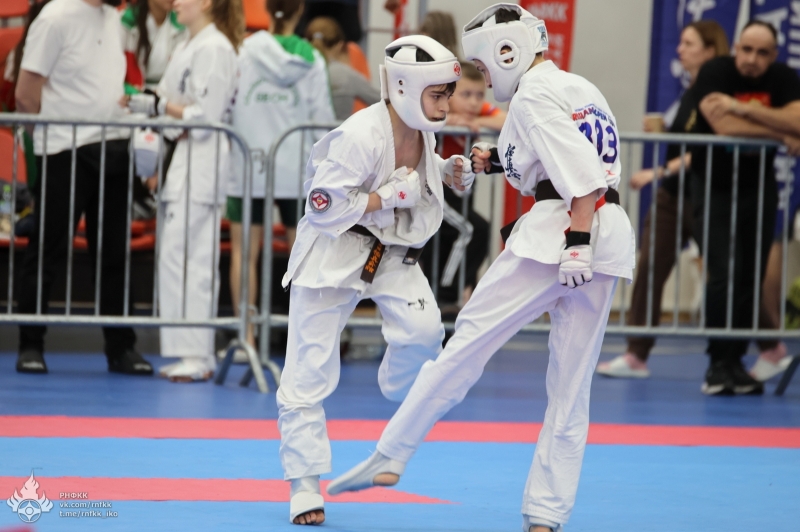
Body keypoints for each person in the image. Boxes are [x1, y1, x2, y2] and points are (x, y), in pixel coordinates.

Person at [328, 6, 635, 532]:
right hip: (608, 236)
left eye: (485, 64)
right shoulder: (578, 87)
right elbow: (564, 157)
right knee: (571, 387)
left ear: (507, 51)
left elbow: (582, 176)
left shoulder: (533, 95)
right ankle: (546, 514)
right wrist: (492, 161)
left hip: (562, 232)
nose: (485, 76)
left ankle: (393, 451)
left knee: (467, 343)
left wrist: (577, 242)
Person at [277, 35, 472, 525]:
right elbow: (321, 208)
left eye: (447, 94)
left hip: (389, 250)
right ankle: (304, 485)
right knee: (307, 370)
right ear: (403, 88)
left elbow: (413, 174)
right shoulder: (360, 135)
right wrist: (385, 197)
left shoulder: (420, 130)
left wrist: (444, 170)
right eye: (438, 94)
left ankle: (395, 384)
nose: (445, 105)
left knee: (426, 333)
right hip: (332, 252)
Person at [13, 0, 152, 376]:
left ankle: (121, 347)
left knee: (114, 253)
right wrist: (48, 137)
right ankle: (30, 343)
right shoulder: (55, 17)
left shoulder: (112, 17)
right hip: (65, 149)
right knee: (48, 248)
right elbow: (25, 93)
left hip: (114, 145)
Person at [597, 20, 729, 379]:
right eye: (680, 42)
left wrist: (656, 172)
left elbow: (704, 148)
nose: (679, 49)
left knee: (727, 272)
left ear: (710, 50)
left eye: (689, 44)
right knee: (651, 267)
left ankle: (769, 343)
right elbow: (689, 140)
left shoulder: (715, 95)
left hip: (703, 194)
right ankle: (636, 353)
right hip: (674, 194)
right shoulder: (691, 91)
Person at [127, 0, 242, 382]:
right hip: (183, 156)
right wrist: (149, 105)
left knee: (194, 258)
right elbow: (169, 99)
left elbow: (206, 115)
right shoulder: (188, 44)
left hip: (203, 160)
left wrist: (162, 106)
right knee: (177, 256)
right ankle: (189, 350)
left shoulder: (216, 47)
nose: (175, 1)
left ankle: (197, 353)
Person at [688, 20, 800, 395]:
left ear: (774, 55)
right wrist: (780, 131)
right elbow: (723, 126)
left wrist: (740, 106)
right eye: (747, 50)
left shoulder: (783, 77)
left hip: (758, 186)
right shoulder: (715, 71)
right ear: (736, 48)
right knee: (722, 272)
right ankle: (717, 364)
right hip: (713, 184)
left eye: (762, 53)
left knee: (751, 274)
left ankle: (735, 362)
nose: (752, 59)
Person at [227, 0, 335, 359]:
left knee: (245, 254)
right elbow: (322, 120)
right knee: (303, 255)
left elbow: (229, 103)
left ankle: (246, 338)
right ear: (299, 10)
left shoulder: (243, 51)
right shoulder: (312, 59)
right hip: (297, 169)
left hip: (249, 164)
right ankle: (303, 342)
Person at [422, 61, 506, 305]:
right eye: (466, 95)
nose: (473, 102)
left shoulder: (477, 115)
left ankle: (457, 290)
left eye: (479, 95)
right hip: (437, 190)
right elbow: (423, 118)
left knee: (461, 236)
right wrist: (450, 121)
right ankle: (446, 295)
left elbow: (505, 119)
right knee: (472, 229)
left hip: (461, 194)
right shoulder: (440, 110)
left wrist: (478, 123)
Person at [121, 0, 188, 219]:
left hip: (168, 100)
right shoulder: (124, 22)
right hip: (131, 100)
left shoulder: (184, 22)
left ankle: (155, 192)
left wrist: (159, 101)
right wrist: (142, 99)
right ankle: (140, 195)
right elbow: (115, 74)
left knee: (176, 128)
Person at [306, 16, 380, 120]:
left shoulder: (297, 72)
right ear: (339, 45)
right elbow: (381, 100)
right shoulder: (345, 75)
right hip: (339, 130)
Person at [121, 0, 187, 93]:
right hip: (132, 95)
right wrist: (132, 93)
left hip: (168, 94)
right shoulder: (125, 21)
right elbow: (111, 75)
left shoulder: (183, 22)